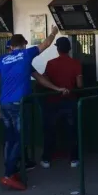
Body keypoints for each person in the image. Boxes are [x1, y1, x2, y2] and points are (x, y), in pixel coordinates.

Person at [0, 27, 64, 190]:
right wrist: (53, 33)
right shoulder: (25, 55)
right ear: (23, 44)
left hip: (4, 104)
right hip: (19, 105)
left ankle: (10, 169)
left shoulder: (2, 60)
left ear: (11, 45)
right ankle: (9, 174)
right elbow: (45, 44)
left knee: (10, 139)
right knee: (19, 138)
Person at [40, 37, 83, 169]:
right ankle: (74, 159)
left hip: (52, 101)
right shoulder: (76, 63)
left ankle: (46, 159)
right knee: (72, 131)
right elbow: (80, 85)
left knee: (50, 131)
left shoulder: (50, 63)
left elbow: (45, 82)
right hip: (70, 100)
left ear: (57, 49)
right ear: (69, 49)